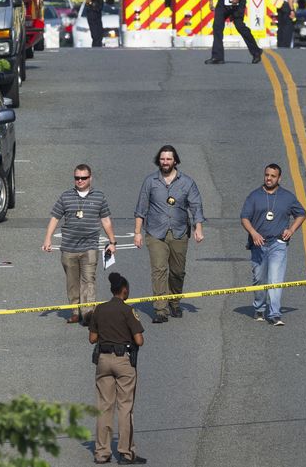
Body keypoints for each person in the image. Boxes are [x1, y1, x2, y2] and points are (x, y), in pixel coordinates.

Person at [134, 145, 205, 323]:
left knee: (177, 272)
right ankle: (160, 309)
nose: (165, 162)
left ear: (175, 161)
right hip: (155, 233)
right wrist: (137, 232)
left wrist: (198, 228)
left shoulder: (187, 182)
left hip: (179, 233)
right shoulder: (150, 181)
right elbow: (141, 208)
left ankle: (174, 302)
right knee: (159, 270)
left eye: (168, 159)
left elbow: (196, 206)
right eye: (162, 159)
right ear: (159, 160)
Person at [42, 164, 116, 325]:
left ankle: (88, 312)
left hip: (90, 246)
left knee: (89, 280)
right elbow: (55, 217)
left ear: (90, 178)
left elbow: (106, 220)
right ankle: (75, 311)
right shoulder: (66, 196)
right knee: (72, 281)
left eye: (83, 178)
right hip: (69, 248)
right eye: (77, 178)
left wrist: (112, 241)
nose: (80, 181)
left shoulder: (99, 196)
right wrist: (48, 239)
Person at [89, 272, 146, 465]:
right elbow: (139, 340)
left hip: (103, 360)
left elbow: (92, 339)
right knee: (125, 407)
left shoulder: (100, 309)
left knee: (104, 407)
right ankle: (125, 452)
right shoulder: (127, 310)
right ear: (125, 291)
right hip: (123, 361)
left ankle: (102, 453)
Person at [240, 164, 306, 326]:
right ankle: (259, 308)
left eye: (273, 176)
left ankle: (275, 314)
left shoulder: (287, 197)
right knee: (259, 279)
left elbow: (302, 214)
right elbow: (244, 218)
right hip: (259, 244)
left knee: (275, 279)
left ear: (279, 178)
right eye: (267, 175)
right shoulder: (254, 196)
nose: (269, 178)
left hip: (278, 244)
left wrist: (291, 230)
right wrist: (253, 233)